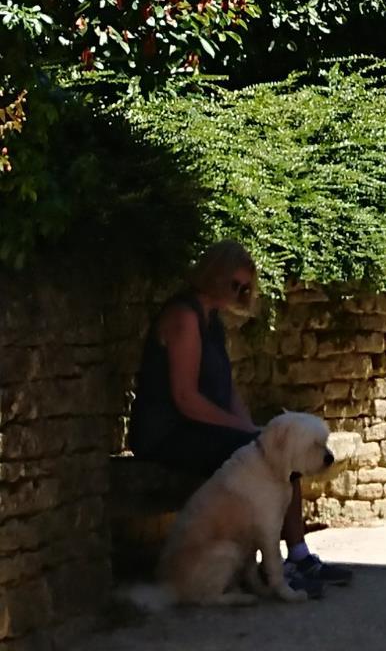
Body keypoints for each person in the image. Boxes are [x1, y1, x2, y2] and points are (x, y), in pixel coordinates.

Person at [128, 240, 352, 597]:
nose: (238, 293)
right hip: (168, 432)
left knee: (277, 450)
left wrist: (254, 429)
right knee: (276, 456)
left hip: (200, 428)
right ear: (213, 274)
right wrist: (246, 433)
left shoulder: (211, 322)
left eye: (245, 288)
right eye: (234, 285)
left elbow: (228, 393)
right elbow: (186, 399)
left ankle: (292, 555)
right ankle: (289, 559)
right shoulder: (185, 317)